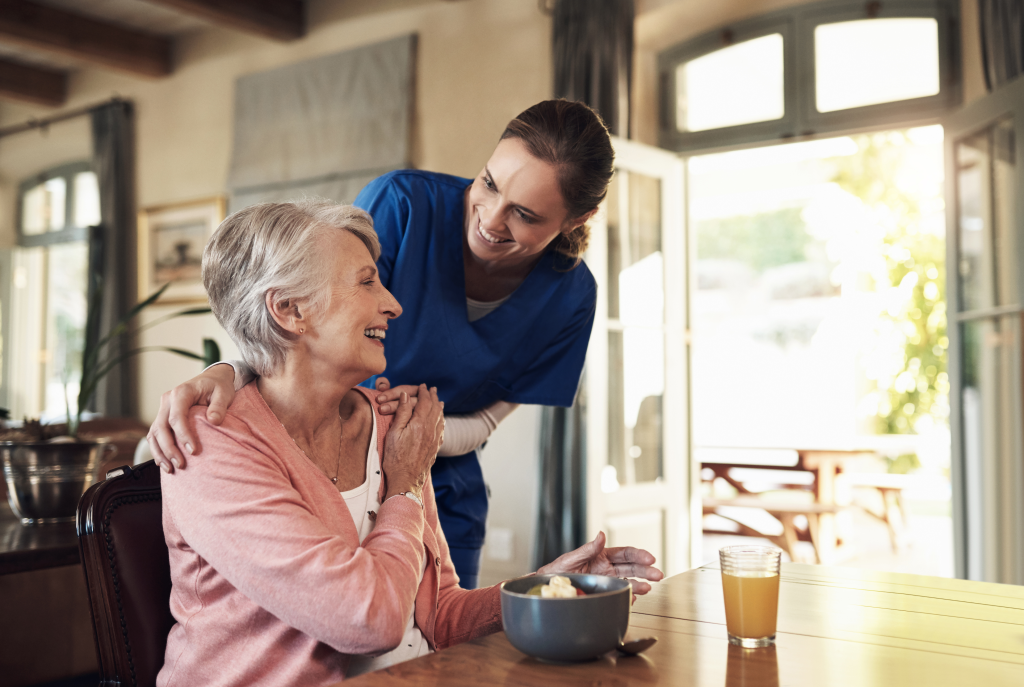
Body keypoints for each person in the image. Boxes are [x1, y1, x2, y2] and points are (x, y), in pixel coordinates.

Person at [157, 199, 662, 686]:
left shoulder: (389, 424)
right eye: (366, 281)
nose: (393, 304)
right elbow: (369, 620)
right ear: (290, 311)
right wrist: (402, 486)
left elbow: (438, 615)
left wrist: (545, 589)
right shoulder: (209, 445)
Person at [148, 99, 614, 588]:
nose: (491, 220)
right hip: (330, 458)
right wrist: (228, 372)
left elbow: (486, 422)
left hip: (443, 482)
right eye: (489, 184)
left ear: (577, 219)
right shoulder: (404, 205)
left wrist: (417, 442)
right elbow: (305, 316)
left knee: (445, 643)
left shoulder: (571, 295)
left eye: (524, 214)